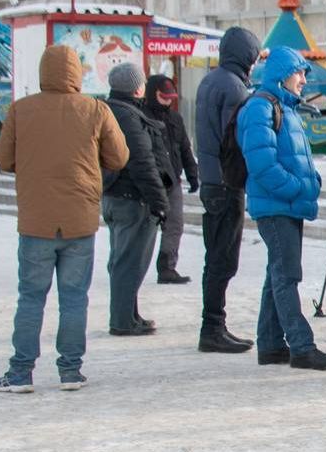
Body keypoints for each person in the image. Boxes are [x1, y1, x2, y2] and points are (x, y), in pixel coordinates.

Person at [0, 45, 128, 391]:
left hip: (36, 221)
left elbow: (4, 160)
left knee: (31, 297)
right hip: (80, 220)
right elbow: (120, 156)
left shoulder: (21, 110)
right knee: (74, 298)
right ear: (76, 73)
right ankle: (70, 370)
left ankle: (20, 372)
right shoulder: (95, 109)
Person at [240, 46, 326, 370]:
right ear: (283, 74)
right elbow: (262, 165)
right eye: (300, 73)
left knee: (277, 273)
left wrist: (312, 181)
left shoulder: (285, 107)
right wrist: (298, 188)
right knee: (287, 276)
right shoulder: (260, 107)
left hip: (287, 204)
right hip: (277, 205)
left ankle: (270, 344)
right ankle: (301, 345)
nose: (303, 80)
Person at [195, 27, 262, 354]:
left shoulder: (211, 80)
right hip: (225, 182)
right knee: (223, 258)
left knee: (215, 256)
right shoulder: (234, 89)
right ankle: (212, 327)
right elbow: (235, 140)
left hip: (211, 180)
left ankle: (213, 324)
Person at [101, 63, 170, 337]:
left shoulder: (109, 110)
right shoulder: (128, 116)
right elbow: (142, 161)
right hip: (133, 198)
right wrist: (159, 201)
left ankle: (129, 314)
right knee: (130, 262)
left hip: (114, 195)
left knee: (122, 259)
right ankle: (122, 321)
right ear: (136, 87)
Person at [145, 74, 198, 284]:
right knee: (146, 227)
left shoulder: (175, 119)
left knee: (175, 224)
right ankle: (133, 267)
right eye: (163, 96)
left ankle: (167, 267)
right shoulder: (141, 115)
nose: (167, 101)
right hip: (150, 180)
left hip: (173, 180)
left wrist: (192, 174)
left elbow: (185, 148)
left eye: (170, 97)